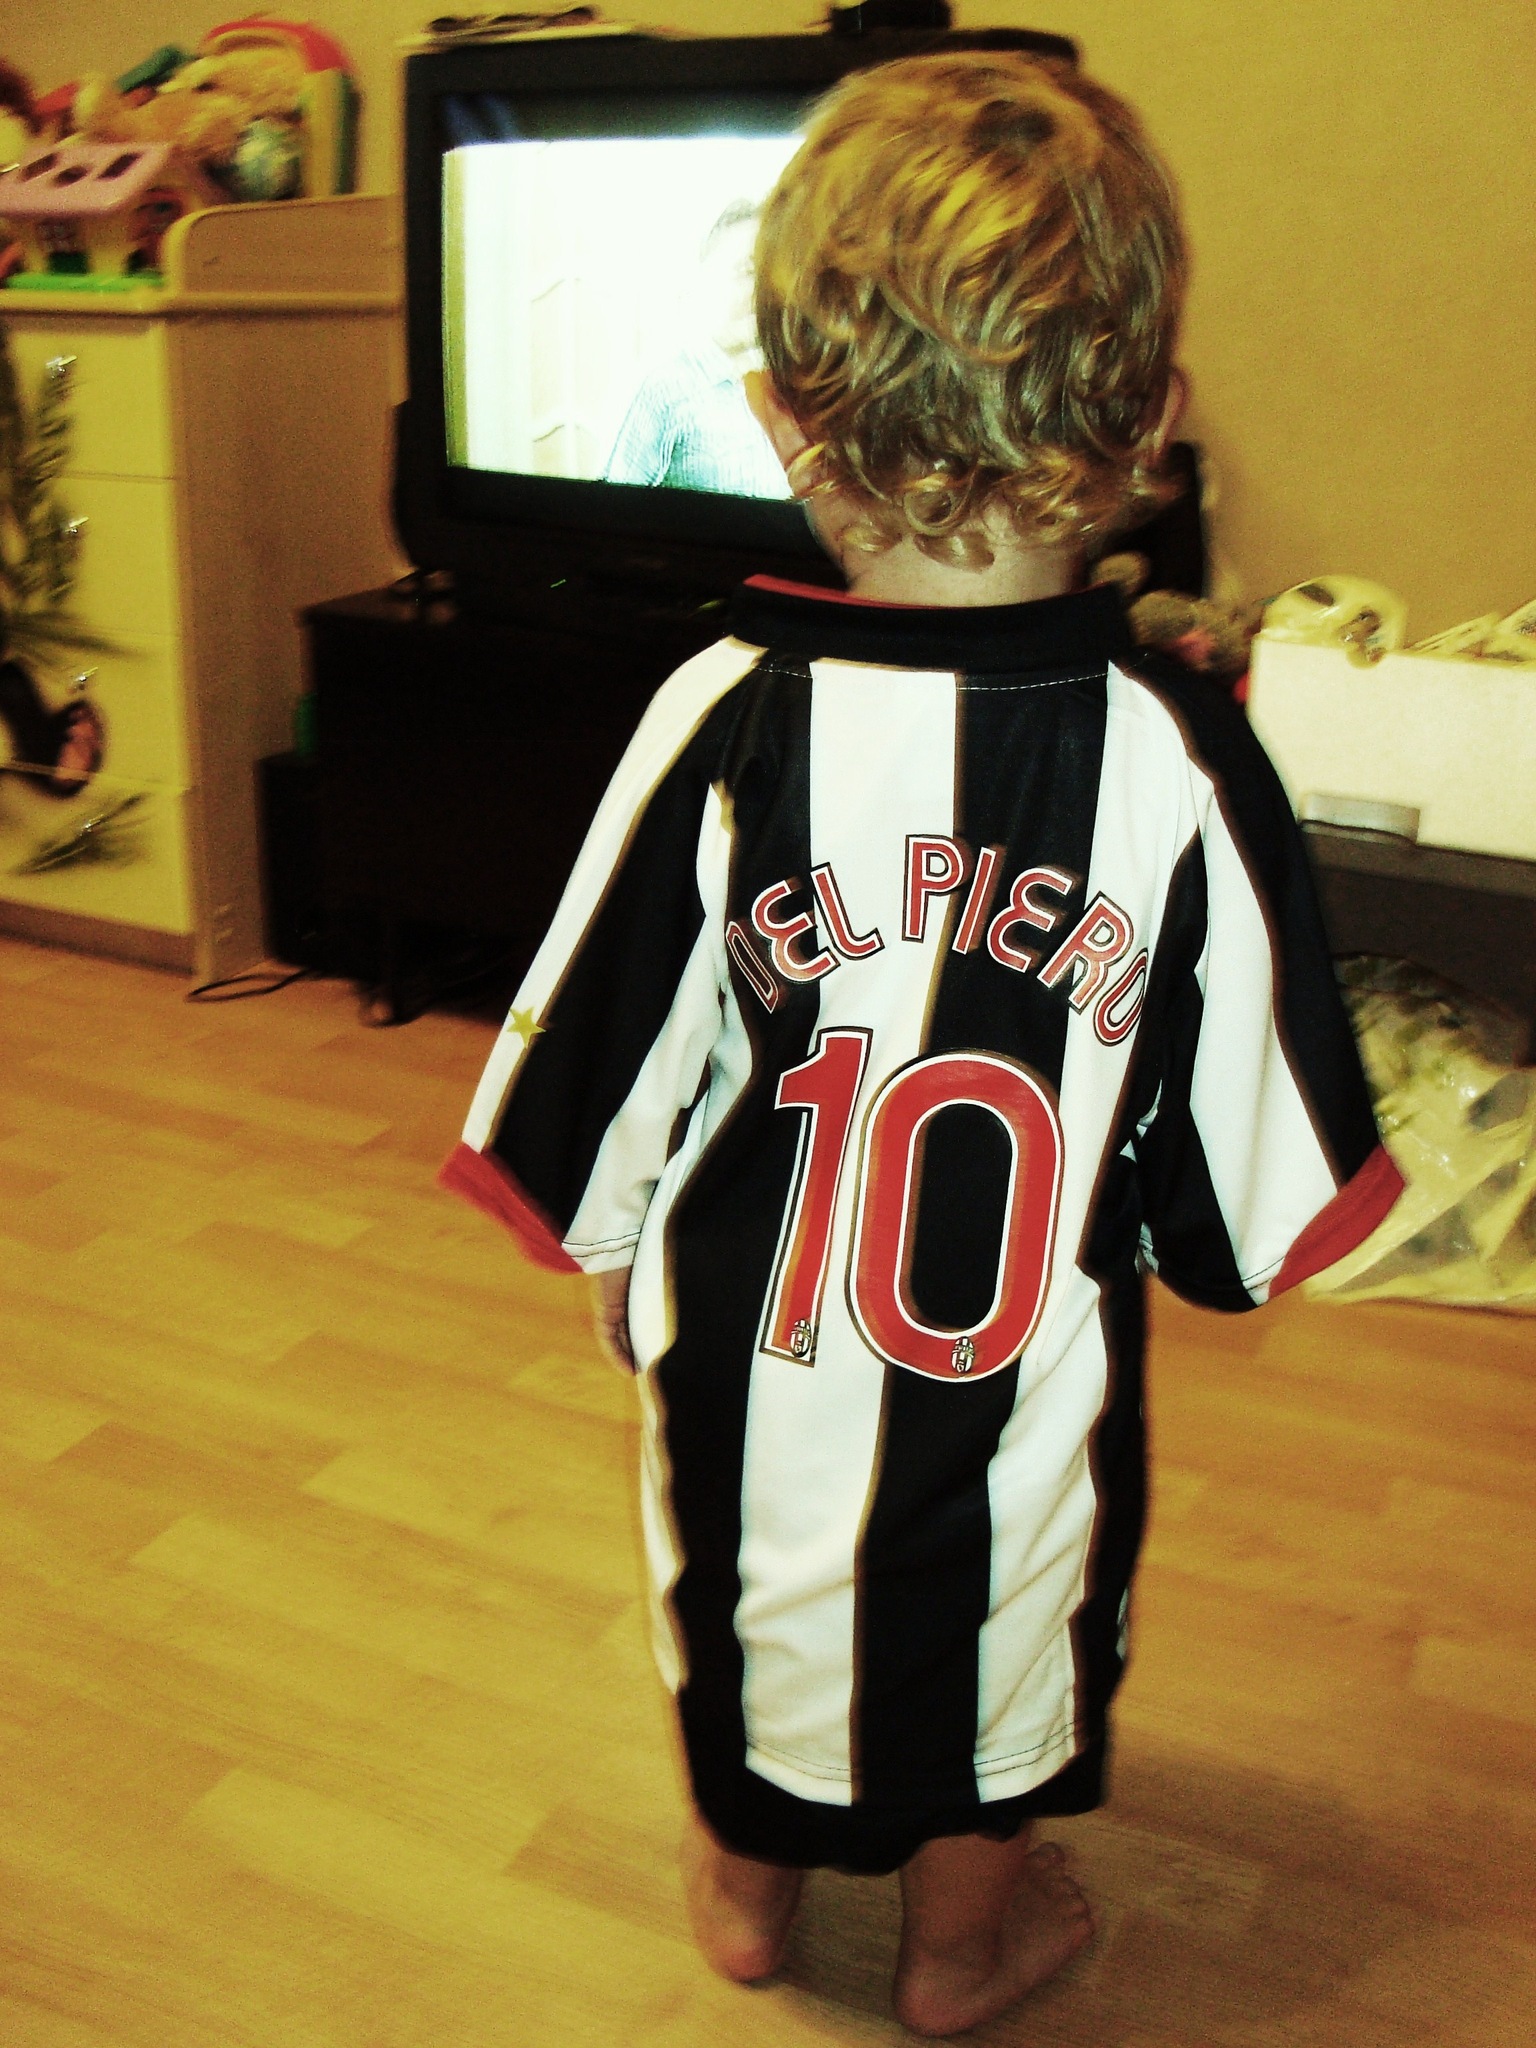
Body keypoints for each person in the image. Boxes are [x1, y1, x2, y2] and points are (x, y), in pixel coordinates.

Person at [441, 51, 1402, 2037]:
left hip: (750, 1366)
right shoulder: (1180, 759)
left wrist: (617, 1247)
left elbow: (603, 1057)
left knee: (737, 1621)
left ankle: (746, 1895)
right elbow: (1246, 1196)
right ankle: (964, 1946)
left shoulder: (718, 714)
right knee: (1006, 1663)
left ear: (783, 418)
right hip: (1017, 1396)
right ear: (1153, 423)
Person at [601, 199, 790, 499]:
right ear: (705, 278)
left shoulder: (793, 387)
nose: (761, 290)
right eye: (747, 271)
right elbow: (612, 508)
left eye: (770, 273)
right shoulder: (667, 390)